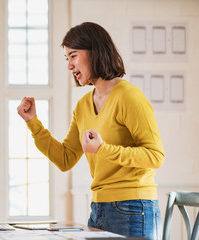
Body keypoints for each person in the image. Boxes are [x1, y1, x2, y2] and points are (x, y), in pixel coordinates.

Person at [17, 22, 164, 240]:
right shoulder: (84, 105)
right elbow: (65, 159)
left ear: (94, 51)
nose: (69, 65)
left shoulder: (129, 97)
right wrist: (33, 123)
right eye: (67, 58)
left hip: (133, 207)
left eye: (73, 56)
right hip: (99, 209)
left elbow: (155, 156)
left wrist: (103, 149)